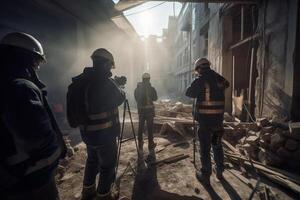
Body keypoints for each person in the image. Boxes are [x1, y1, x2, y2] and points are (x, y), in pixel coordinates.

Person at [0, 32, 66, 199]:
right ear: (25, 57)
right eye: (36, 61)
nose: (37, 67)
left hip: (12, 177)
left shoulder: (6, 82)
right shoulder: (21, 87)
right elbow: (37, 137)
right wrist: (56, 152)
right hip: (32, 178)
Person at [69, 48, 125, 200]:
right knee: (107, 166)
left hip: (87, 134)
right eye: (110, 66)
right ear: (106, 64)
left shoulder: (80, 81)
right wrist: (119, 85)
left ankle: (88, 191)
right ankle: (104, 195)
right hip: (105, 135)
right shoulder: (105, 82)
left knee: (92, 160)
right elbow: (119, 98)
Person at [186, 58, 229, 185]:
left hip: (205, 123)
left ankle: (206, 175)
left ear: (199, 68)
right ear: (208, 66)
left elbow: (189, 93)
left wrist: (195, 82)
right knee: (216, 145)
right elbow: (227, 84)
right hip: (217, 122)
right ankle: (220, 171)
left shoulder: (200, 80)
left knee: (205, 148)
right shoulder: (219, 78)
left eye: (197, 70)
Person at [134, 73, 158, 153]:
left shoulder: (137, 89)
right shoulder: (151, 88)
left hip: (141, 111)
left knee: (141, 126)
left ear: (142, 79)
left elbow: (136, 99)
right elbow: (155, 98)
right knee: (150, 128)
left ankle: (140, 143)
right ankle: (150, 144)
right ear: (149, 79)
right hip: (149, 111)